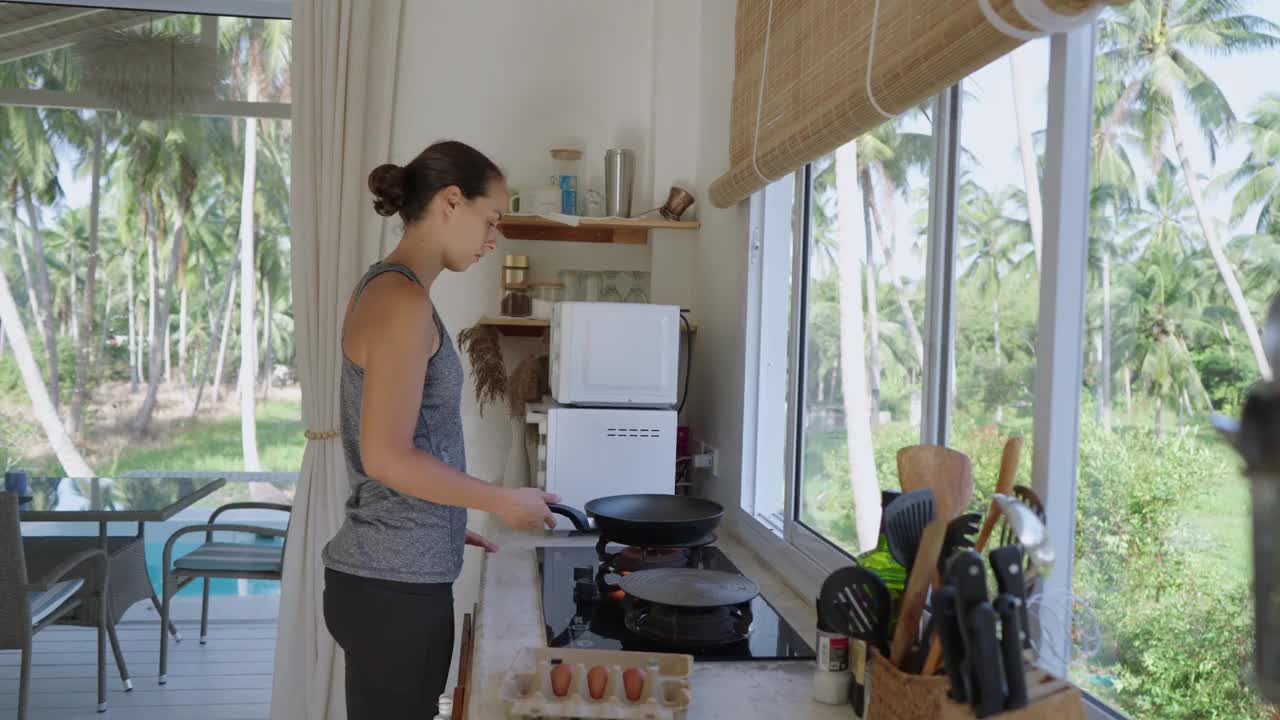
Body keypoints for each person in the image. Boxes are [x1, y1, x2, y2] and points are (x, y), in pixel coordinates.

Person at [322, 140, 560, 718]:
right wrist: (500, 499)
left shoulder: (396, 290)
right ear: (453, 201)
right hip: (391, 587)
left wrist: (447, 521)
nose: (492, 238)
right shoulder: (401, 299)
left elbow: (405, 445)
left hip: (397, 574)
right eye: (491, 219)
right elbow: (386, 456)